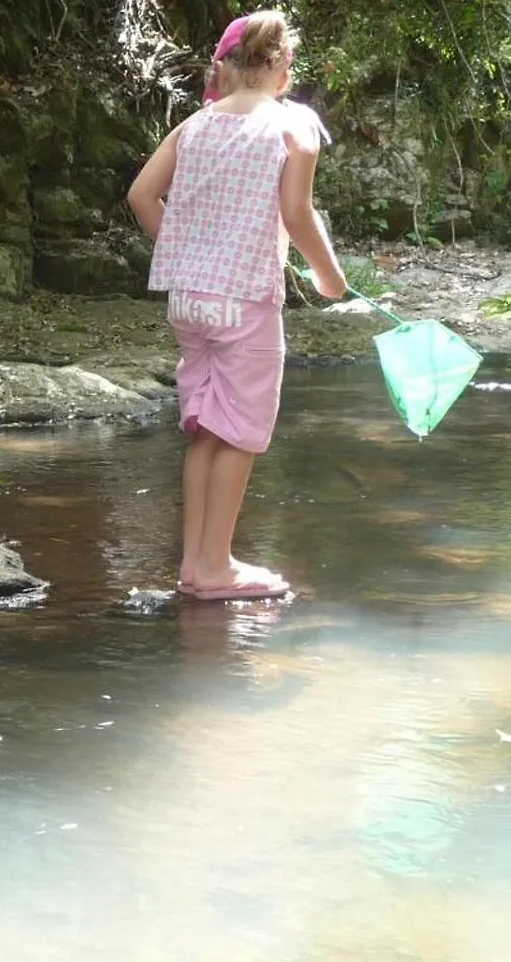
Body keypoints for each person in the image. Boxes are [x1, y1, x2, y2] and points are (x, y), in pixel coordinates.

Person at [127, 10, 347, 601]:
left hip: (188, 302)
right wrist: (330, 278)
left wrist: (185, 248)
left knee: (207, 430)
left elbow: (141, 195)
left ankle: (196, 566)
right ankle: (217, 565)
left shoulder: (193, 126)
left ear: (222, 71)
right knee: (241, 434)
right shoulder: (292, 129)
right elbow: (298, 216)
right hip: (244, 303)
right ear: (282, 71)